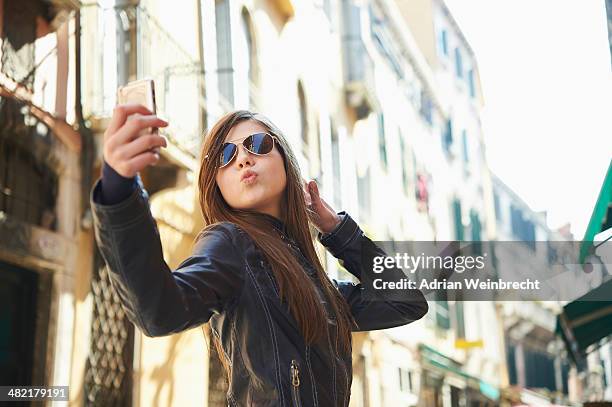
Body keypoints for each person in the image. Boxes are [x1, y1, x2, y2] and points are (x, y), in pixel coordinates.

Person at [90, 104, 429, 407]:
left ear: (285, 161)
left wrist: (338, 231)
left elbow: (406, 302)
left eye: (257, 144)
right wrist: (119, 187)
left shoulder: (318, 286)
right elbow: (159, 311)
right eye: (224, 155)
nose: (242, 158)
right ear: (217, 184)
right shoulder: (229, 243)